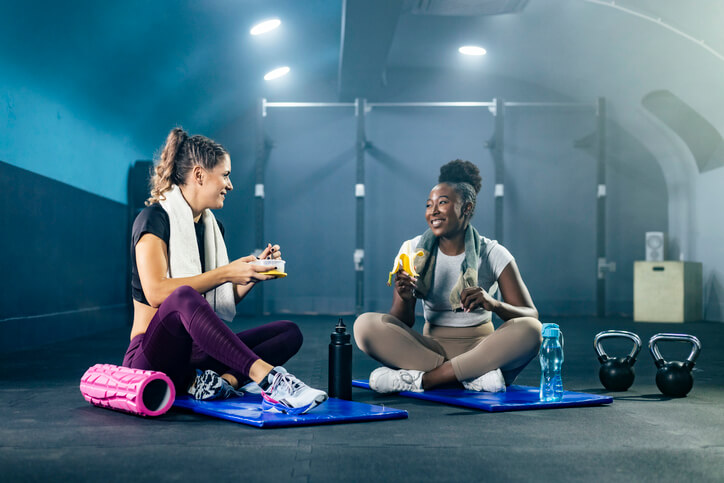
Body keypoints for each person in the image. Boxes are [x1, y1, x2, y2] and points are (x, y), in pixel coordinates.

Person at [122, 127, 327, 414]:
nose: (230, 185)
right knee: (182, 296)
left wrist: (251, 274)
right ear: (199, 175)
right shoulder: (153, 219)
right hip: (151, 358)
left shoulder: (212, 228)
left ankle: (220, 382)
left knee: (288, 332)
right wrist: (227, 272)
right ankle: (270, 379)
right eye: (226, 175)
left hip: (194, 360)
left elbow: (216, 297)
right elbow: (157, 293)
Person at [354, 159, 542, 393]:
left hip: (482, 348)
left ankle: (423, 380)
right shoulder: (413, 250)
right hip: (428, 349)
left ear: (467, 208)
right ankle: (472, 377)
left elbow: (530, 314)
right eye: (429, 204)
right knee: (364, 326)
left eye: (442, 203)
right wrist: (404, 297)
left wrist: (493, 303)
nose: (433, 211)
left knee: (532, 330)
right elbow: (403, 322)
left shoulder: (492, 252)